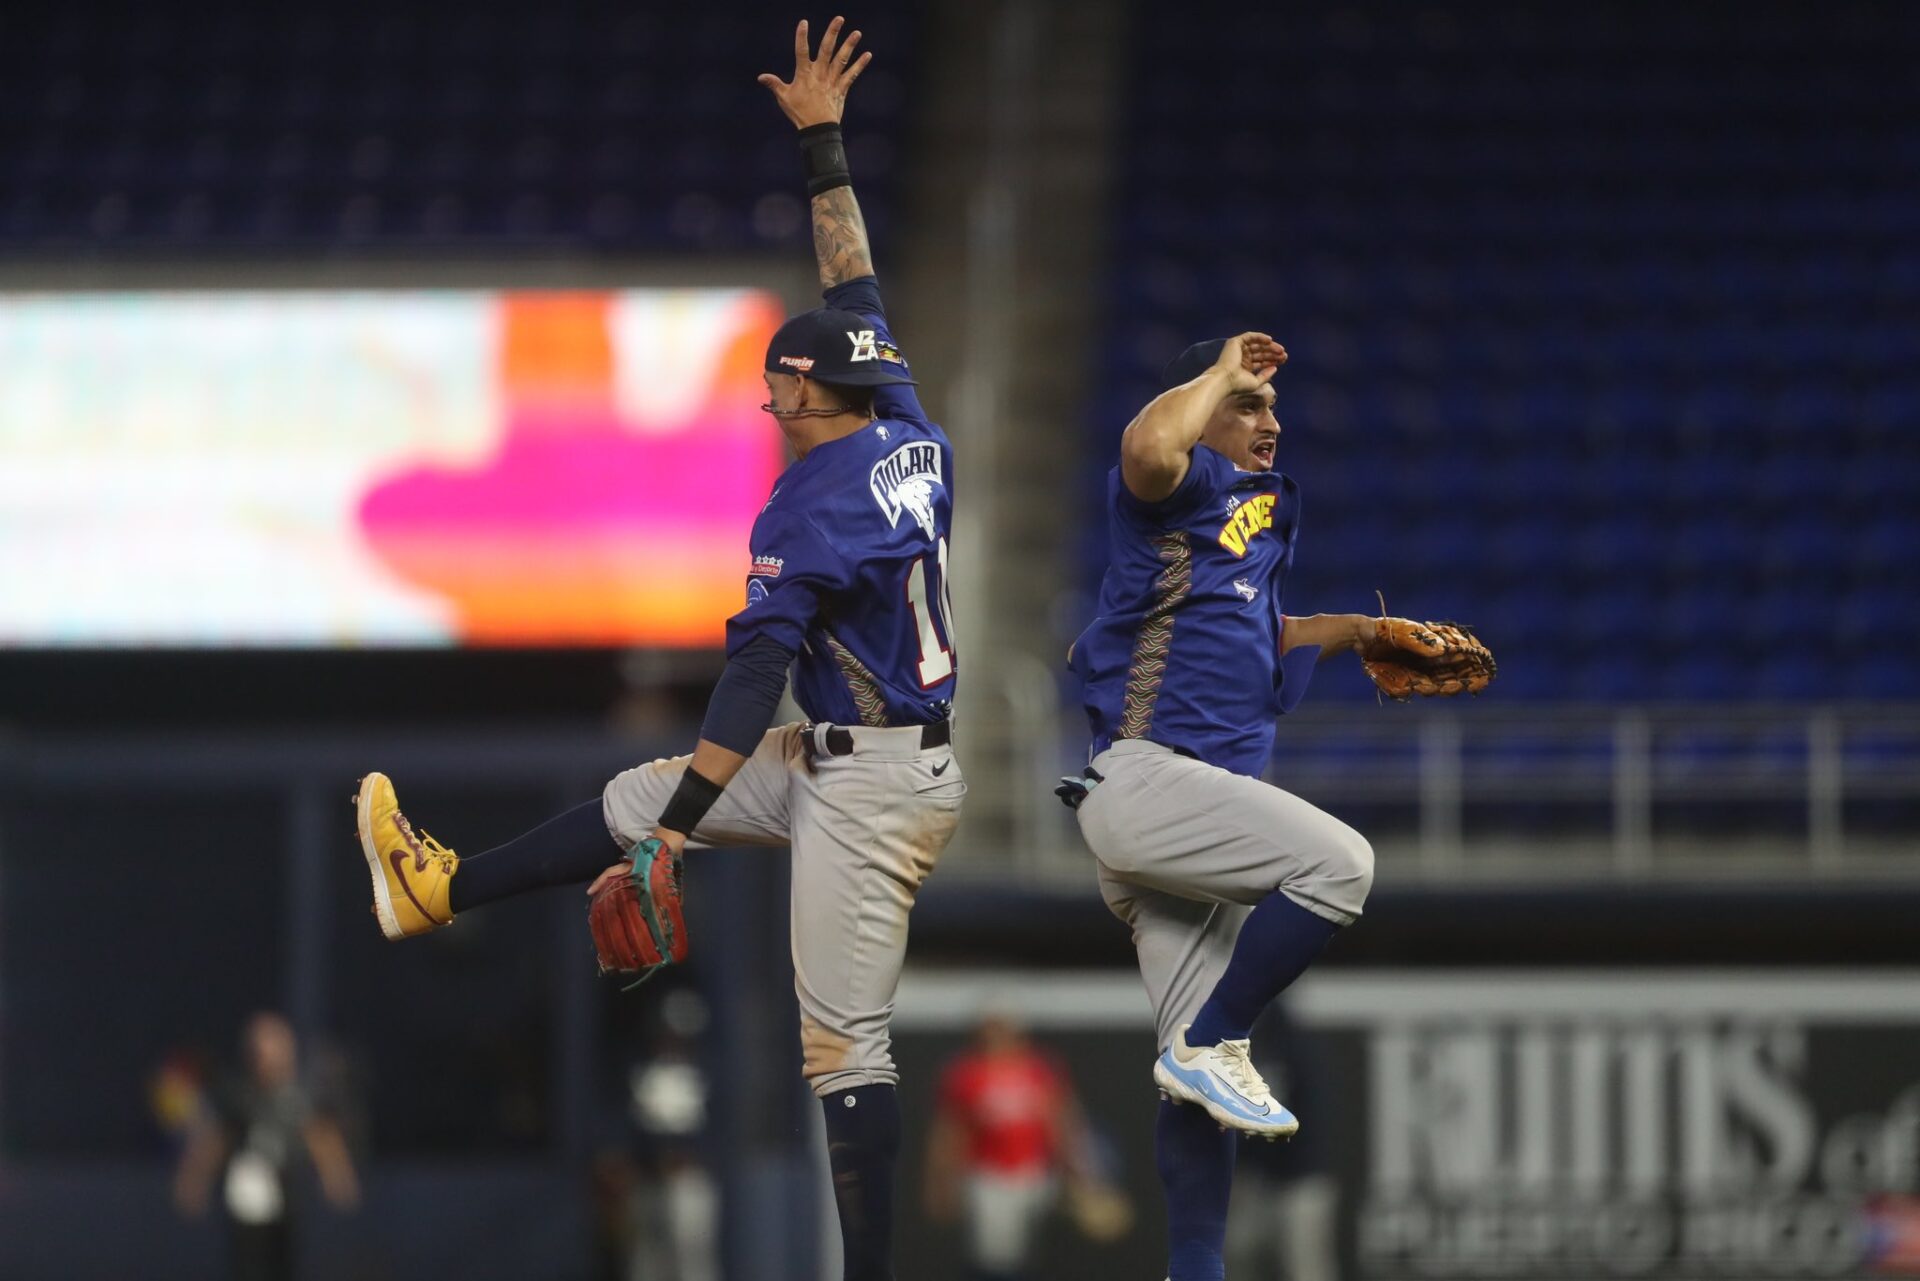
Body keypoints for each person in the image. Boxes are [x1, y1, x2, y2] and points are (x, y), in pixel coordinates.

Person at [352, 17, 963, 1281]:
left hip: (873, 780)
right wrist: (824, 146)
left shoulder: (808, 504)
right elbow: (855, 290)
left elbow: (746, 675)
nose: (770, 398)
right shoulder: (909, 422)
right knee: (630, 799)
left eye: (777, 384)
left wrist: (684, 827)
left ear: (803, 394)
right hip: (865, 748)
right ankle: (438, 889)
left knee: (845, 1046)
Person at [1057, 334, 1380, 1281]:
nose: (1270, 420)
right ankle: (1213, 1035)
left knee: (1198, 1088)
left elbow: (1252, 625)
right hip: (1151, 778)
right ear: (1205, 408)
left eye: (1273, 406)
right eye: (1250, 403)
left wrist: (1353, 631)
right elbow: (1143, 452)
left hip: (1189, 821)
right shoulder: (1185, 482)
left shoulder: (1262, 514)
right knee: (1342, 865)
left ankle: (1194, 1269)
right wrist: (1212, 380)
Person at [172, 1012, 360, 1281]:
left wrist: (337, 1176)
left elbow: (321, 1136)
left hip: (288, 1195)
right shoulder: (238, 1095)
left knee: (284, 1264)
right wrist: (194, 1179)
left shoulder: (299, 1097)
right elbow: (214, 1140)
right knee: (250, 1265)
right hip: (247, 1201)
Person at [923, 1012, 1103, 1280]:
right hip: (990, 1178)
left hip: (1038, 1174)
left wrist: (1079, 1173)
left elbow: (1061, 1121)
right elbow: (951, 1132)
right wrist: (941, 1180)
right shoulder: (967, 1073)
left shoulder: (1038, 1069)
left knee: (1047, 1255)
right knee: (996, 1263)